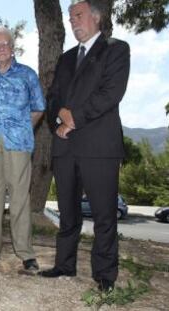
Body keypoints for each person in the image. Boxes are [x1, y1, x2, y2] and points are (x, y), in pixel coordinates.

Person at [39, 0, 130, 292]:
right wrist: (58, 122)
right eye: (69, 16)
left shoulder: (116, 49)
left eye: (77, 14)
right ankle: (64, 265)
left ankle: (104, 275)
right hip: (64, 147)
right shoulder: (65, 58)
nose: (72, 20)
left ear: (96, 17)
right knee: (68, 213)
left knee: (104, 215)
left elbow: (111, 93)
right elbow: (52, 98)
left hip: (99, 147)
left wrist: (73, 118)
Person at [0, 26, 45, 270]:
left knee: (20, 198)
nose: (1, 48)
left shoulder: (28, 75)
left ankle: (25, 253)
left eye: (5, 44)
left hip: (19, 142)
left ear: (12, 49)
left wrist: (22, 127)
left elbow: (38, 109)